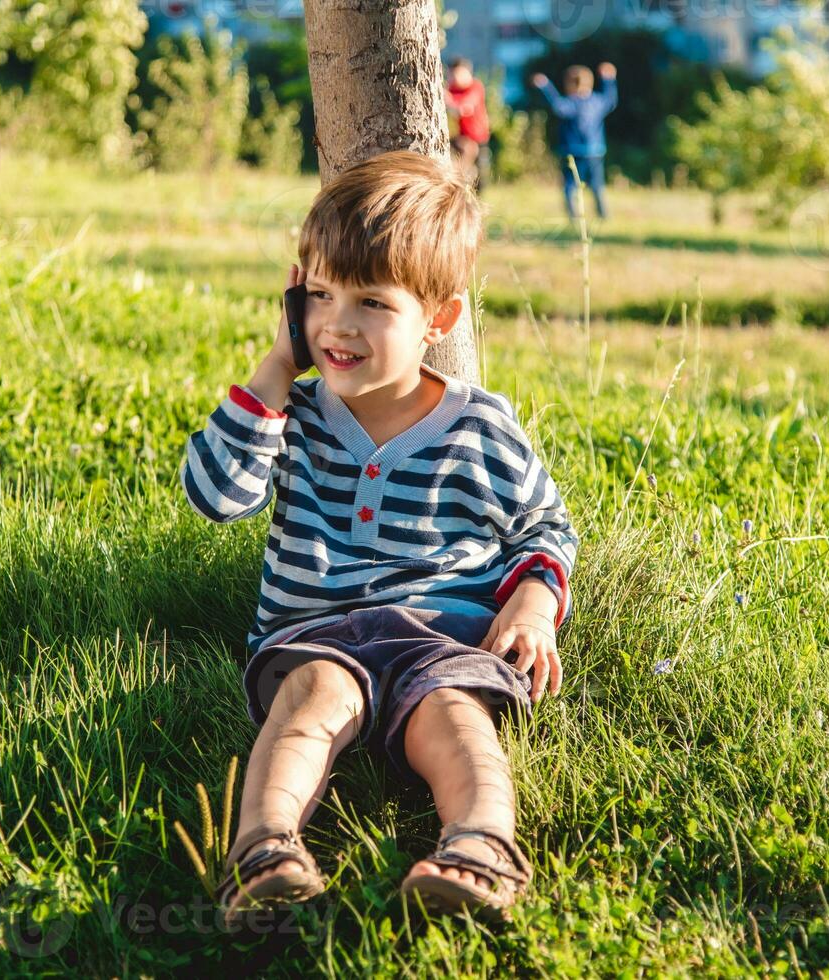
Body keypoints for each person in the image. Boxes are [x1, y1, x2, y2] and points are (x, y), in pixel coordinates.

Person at [181, 150, 579, 923]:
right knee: (311, 701)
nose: (338, 324)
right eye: (320, 294)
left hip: (444, 638)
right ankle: (263, 847)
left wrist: (532, 604)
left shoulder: (479, 425)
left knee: (456, 718)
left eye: (372, 302)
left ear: (439, 319)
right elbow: (216, 499)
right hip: (317, 632)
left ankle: (481, 846)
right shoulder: (290, 415)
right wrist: (273, 367)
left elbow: (543, 525)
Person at [531, 62, 618, 222]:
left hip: (573, 151)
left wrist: (545, 86)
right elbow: (610, 100)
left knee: (570, 186)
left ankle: (573, 217)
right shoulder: (597, 102)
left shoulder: (571, 103)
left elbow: (557, 106)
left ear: (570, 84)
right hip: (595, 150)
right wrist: (609, 79)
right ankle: (603, 215)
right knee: (597, 186)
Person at [444, 57, 492, 190]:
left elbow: (464, 109)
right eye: (451, 75)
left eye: (457, 74)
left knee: (480, 178)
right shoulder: (452, 88)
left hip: (477, 137)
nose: (454, 78)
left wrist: (447, 99)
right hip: (460, 137)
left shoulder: (475, 86)